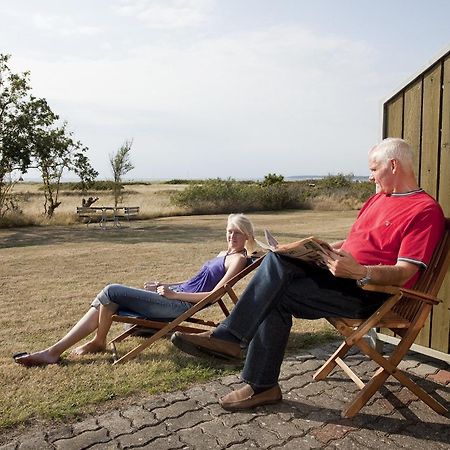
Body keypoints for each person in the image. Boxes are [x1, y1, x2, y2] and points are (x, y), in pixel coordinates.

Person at [171, 138, 446, 411]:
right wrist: (316, 249)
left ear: (393, 165)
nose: (370, 175)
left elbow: (404, 272)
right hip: (338, 277)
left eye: (374, 169)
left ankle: (245, 361)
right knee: (278, 261)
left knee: (274, 289)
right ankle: (255, 376)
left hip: (370, 293)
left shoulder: (423, 210)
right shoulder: (377, 200)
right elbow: (356, 242)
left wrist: (362, 271)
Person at [14, 213, 256, 367]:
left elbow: (214, 294)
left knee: (111, 291)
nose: (231, 235)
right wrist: (167, 285)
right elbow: (193, 281)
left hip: (180, 306)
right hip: (174, 296)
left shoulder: (237, 260)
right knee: (108, 299)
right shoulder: (222, 253)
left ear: (246, 236)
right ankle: (59, 350)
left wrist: (174, 295)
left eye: (236, 232)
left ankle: (91, 343)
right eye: (229, 231)